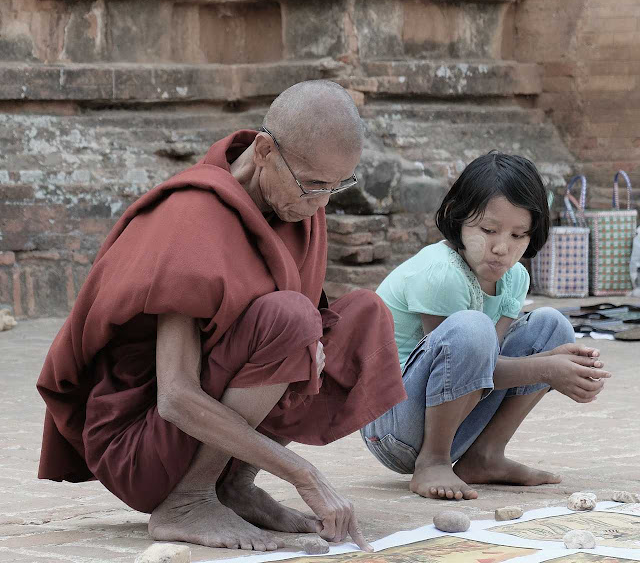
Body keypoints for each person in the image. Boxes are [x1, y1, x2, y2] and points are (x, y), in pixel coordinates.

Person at [37, 80, 407, 551]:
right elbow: (174, 397)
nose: (323, 203)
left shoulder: (293, 207)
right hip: (143, 442)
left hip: (209, 437)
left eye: (338, 186)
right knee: (291, 320)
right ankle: (189, 501)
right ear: (266, 150)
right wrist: (302, 474)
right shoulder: (191, 219)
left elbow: (289, 333)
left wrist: (305, 349)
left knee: (362, 316)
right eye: (314, 185)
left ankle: (231, 487)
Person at [361, 152, 611, 501]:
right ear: (456, 217)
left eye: (518, 235)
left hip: (457, 421)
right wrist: (546, 368)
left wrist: (558, 363)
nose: (501, 248)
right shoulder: (441, 273)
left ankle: (484, 455)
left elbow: (483, 366)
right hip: (393, 428)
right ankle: (431, 462)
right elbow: (457, 359)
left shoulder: (514, 278)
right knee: (472, 328)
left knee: (551, 326)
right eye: (488, 230)